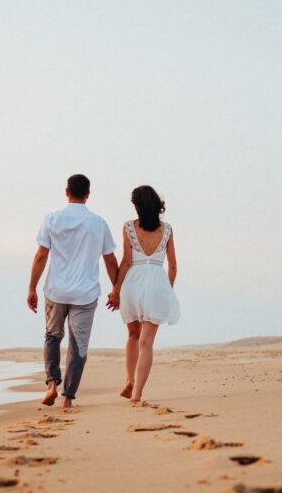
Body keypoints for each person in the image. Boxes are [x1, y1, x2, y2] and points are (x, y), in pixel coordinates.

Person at [27, 174, 118, 409]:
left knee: (52, 336)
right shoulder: (98, 223)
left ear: (66, 192)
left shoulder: (52, 219)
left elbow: (41, 256)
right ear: (88, 195)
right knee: (78, 344)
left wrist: (32, 288)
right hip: (85, 294)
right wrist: (116, 289)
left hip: (56, 290)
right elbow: (110, 260)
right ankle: (67, 397)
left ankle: (51, 386)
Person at [107, 185, 179, 405]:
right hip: (157, 283)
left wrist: (116, 290)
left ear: (137, 206)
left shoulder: (128, 227)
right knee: (147, 342)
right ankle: (137, 393)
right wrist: (167, 290)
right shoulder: (166, 230)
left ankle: (129, 380)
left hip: (133, 283)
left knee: (132, 336)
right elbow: (173, 265)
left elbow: (127, 261)